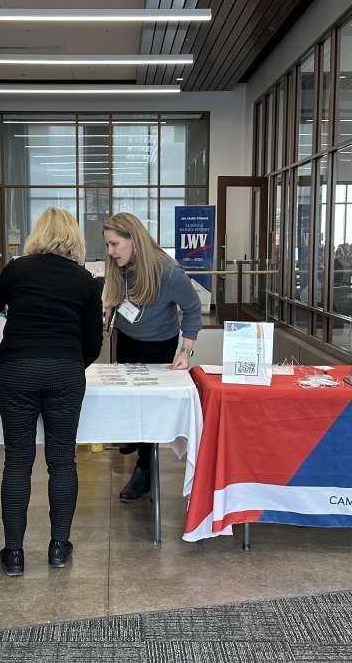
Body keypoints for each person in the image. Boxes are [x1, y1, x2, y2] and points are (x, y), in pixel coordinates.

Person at [0, 207, 103, 577]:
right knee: (62, 460)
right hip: (66, 371)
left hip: (16, 371)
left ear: (39, 234)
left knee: (17, 460)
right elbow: (94, 342)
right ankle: (58, 548)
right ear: (74, 238)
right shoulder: (84, 280)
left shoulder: (18, 270)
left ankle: (14, 554)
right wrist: (68, 363)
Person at [102, 212, 202, 502]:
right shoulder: (119, 266)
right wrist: (110, 304)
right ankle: (132, 435)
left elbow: (193, 309)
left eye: (115, 244)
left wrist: (186, 352)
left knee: (147, 405)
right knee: (126, 396)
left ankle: (145, 469)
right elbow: (117, 294)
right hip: (126, 337)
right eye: (108, 245)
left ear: (134, 240)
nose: (110, 252)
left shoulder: (168, 271)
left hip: (159, 343)